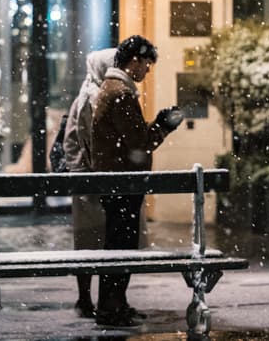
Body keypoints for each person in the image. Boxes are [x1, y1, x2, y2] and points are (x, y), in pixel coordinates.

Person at [90, 35, 184, 327]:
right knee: (120, 246)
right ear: (134, 61)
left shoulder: (114, 88)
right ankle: (111, 307)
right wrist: (162, 126)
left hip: (118, 181)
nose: (147, 71)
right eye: (147, 64)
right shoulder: (120, 92)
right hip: (122, 183)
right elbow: (139, 142)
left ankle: (116, 304)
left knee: (118, 245)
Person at [61, 48, 116, 318]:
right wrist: (93, 171)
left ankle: (94, 299)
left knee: (91, 242)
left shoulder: (90, 92)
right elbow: (85, 140)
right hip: (90, 183)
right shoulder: (92, 97)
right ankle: (88, 298)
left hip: (87, 180)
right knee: (93, 242)